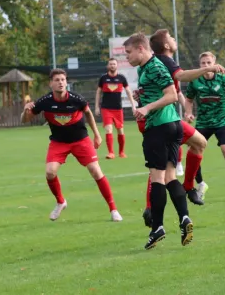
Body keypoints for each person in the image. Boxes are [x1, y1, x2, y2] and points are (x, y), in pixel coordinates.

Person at [140, 29, 225, 227]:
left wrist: (184, 108)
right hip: (160, 121)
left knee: (184, 152)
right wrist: (207, 69)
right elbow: (183, 76)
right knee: (163, 167)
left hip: (163, 119)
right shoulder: (165, 59)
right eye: (171, 37)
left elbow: (173, 89)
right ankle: (182, 190)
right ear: (167, 46)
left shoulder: (158, 62)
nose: (173, 39)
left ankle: (165, 200)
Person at [21, 68, 123, 222]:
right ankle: (61, 202)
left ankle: (113, 209)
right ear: (51, 84)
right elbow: (25, 120)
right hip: (58, 142)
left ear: (66, 82)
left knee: (96, 171)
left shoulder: (77, 99)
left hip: (80, 140)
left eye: (63, 80)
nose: (61, 83)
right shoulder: (44, 101)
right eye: (57, 80)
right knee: (50, 172)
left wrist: (96, 134)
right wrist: (24, 111)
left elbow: (88, 113)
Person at [124, 32, 193, 250]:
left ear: (141, 49)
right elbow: (157, 92)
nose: (126, 57)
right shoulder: (144, 68)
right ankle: (184, 219)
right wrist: (142, 96)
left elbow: (172, 95)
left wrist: (146, 107)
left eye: (129, 52)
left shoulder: (154, 66)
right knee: (171, 177)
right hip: (172, 126)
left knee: (157, 180)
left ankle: (158, 228)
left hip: (160, 127)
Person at [184, 51, 225, 201]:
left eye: (208, 63)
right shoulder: (195, 81)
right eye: (203, 63)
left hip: (222, 122)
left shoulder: (223, 79)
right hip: (203, 123)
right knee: (194, 151)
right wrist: (188, 113)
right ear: (200, 65)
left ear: (214, 63)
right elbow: (189, 99)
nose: (206, 65)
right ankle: (201, 184)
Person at [95, 58, 137, 159]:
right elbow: (98, 92)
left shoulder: (121, 78)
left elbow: (128, 91)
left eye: (114, 64)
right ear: (108, 66)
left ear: (117, 66)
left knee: (120, 131)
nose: (112, 66)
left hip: (118, 109)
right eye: (110, 64)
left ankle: (121, 152)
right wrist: (97, 107)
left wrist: (133, 105)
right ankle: (111, 153)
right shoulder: (103, 78)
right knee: (108, 129)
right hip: (106, 109)